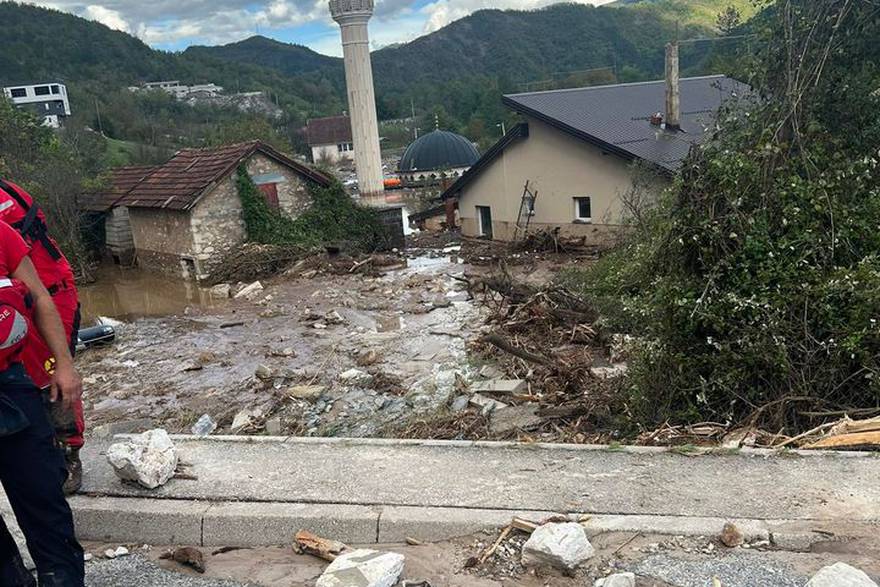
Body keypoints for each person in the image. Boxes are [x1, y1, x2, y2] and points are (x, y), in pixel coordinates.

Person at [0, 220, 85, 586]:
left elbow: (42, 300)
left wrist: (64, 364)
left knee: (42, 497)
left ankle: (62, 578)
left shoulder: (2, 233)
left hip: (11, 384)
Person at [0, 179, 83, 493]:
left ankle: (70, 451)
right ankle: (41, 447)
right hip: (19, 298)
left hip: (47, 294)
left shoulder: (4, 199)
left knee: (53, 374)